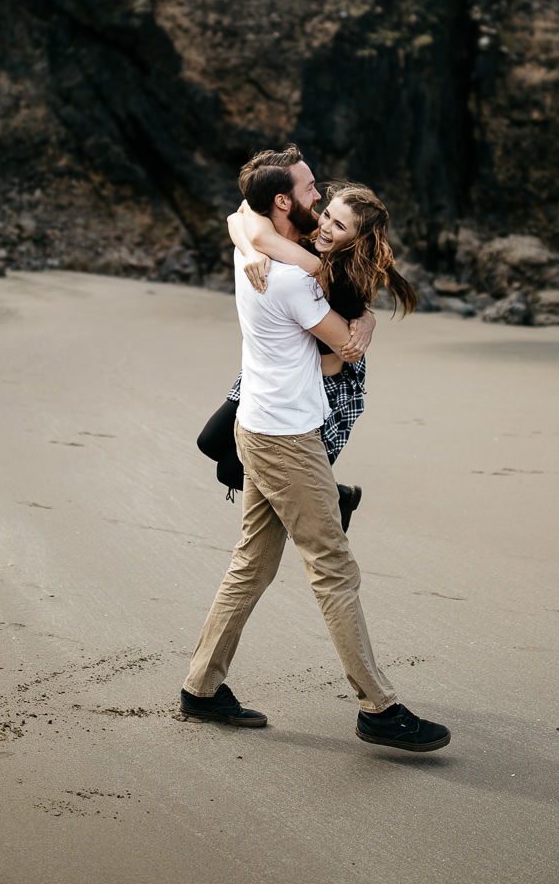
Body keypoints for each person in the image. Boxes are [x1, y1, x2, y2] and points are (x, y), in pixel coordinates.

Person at [179, 153, 450, 752]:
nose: (318, 201)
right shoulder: (294, 279)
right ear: (284, 202)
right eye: (309, 192)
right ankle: (378, 707)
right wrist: (362, 327)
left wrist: (358, 313)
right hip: (286, 439)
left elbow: (241, 217)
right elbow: (341, 352)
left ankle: (200, 688)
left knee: (252, 564)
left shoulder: (257, 252)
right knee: (334, 568)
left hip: (258, 425)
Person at [196, 176, 419, 533]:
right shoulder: (317, 237)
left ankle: (333, 497)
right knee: (209, 442)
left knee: (232, 471)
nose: (325, 227)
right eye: (327, 214)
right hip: (278, 363)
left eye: (339, 226)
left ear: (358, 239)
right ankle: (318, 494)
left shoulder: (341, 278)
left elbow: (341, 355)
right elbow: (239, 216)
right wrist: (252, 254)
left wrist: (364, 318)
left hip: (323, 386)